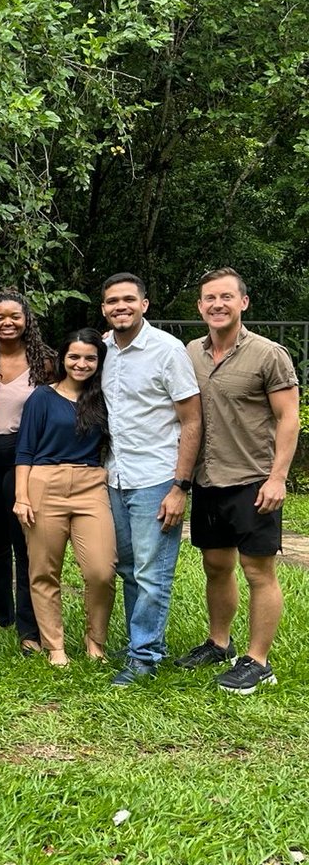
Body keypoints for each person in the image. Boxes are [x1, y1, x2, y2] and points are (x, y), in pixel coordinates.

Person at [176, 267, 300, 694]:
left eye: (226, 297)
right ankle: (219, 642)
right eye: (210, 298)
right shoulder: (190, 353)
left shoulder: (268, 354)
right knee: (216, 566)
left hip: (253, 479)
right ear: (200, 306)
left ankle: (258, 661)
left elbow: (288, 418)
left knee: (257, 570)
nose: (218, 304)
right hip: (209, 478)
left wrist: (278, 478)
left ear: (243, 302)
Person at [99, 273, 202, 686]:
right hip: (115, 476)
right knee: (128, 567)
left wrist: (180, 487)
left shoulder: (167, 350)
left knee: (152, 573)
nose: (120, 307)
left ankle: (145, 657)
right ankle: (139, 643)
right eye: (112, 301)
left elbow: (191, 420)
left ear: (144, 304)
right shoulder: (103, 350)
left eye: (128, 299)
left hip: (157, 478)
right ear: (104, 308)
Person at [14, 329, 116, 667]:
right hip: (45, 483)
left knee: (101, 570)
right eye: (74, 356)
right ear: (62, 358)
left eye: (90, 358)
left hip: (91, 485)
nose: (81, 364)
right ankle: (54, 646)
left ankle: (95, 642)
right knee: (44, 570)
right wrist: (21, 496)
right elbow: (25, 450)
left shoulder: (104, 399)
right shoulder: (42, 397)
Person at [0, 292, 52, 656]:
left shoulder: (45, 362)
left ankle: (29, 626)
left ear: (26, 320)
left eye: (15, 316)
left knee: (24, 541)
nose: (7, 323)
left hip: (24, 458)